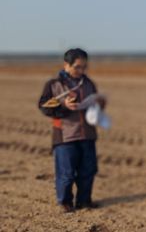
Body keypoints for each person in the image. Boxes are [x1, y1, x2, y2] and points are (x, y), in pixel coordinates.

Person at [37, 48, 105, 213]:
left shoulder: (89, 83)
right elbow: (44, 106)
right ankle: (65, 202)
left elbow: (96, 102)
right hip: (65, 136)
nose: (81, 71)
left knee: (88, 170)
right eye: (77, 67)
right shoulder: (53, 85)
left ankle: (84, 201)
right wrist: (64, 106)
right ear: (66, 65)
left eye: (84, 67)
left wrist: (98, 106)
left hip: (87, 134)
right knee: (66, 173)